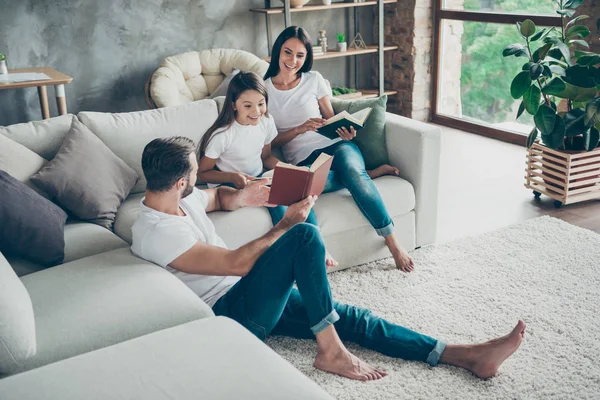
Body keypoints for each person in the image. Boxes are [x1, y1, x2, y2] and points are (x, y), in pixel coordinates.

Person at [131, 136, 526, 382]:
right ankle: (331, 351)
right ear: (181, 182)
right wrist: (284, 225)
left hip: (250, 294)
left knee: (349, 317)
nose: (199, 183)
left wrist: (243, 197)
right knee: (303, 234)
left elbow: (214, 197)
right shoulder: (156, 233)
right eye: (194, 178)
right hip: (232, 314)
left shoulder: (179, 199)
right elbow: (235, 264)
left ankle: (464, 355)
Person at [263, 26, 416, 273]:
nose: (293, 61)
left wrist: (345, 132)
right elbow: (270, 143)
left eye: (300, 56)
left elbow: (331, 120)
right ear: (278, 51)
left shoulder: (313, 80)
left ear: (306, 58)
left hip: (336, 146)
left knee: (351, 168)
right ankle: (368, 174)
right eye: (287, 52)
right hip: (304, 159)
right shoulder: (265, 90)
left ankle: (393, 243)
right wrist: (299, 130)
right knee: (306, 187)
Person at [196, 71, 337, 267]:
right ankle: (299, 254)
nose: (256, 111)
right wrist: (233, 176)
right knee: (277, 200)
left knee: (300, 194)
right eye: (248, 105)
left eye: (261, 104)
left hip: (258, 176)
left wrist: (290, 170)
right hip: (230, 184)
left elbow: (266, 157)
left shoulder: (266, 122)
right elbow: (202, 173)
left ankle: (319, 243)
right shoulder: (222, 135)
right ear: (233, 105)